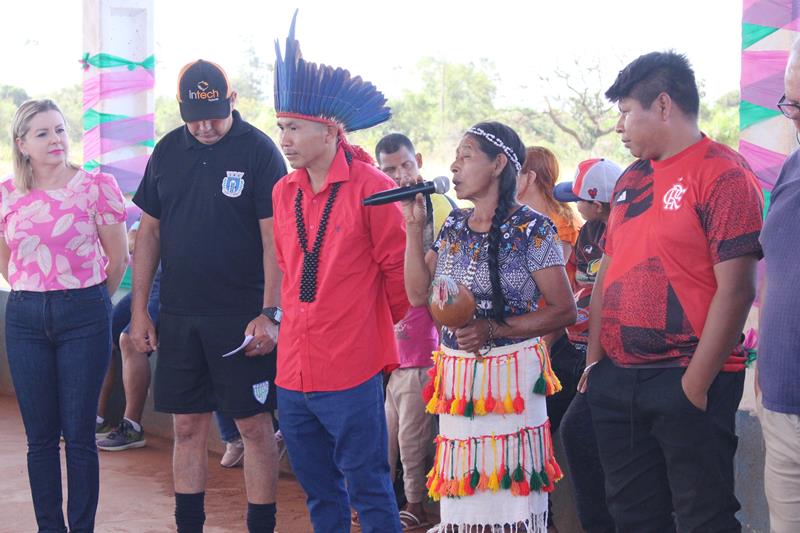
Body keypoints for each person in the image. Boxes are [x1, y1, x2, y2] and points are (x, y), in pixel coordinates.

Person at [582, 51, 764, 532]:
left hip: (688, 377)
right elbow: (608, 272)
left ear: (663, 105)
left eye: (625, 111)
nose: (619, 126)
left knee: (705, 517)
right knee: (633, 517)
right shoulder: (631, 178)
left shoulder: (724, 173)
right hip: (618, 379)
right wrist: (594, 364)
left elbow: (738, 289)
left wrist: (694, 387)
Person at [129, 59, 285, 533]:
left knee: (254, 428)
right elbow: (149, 234)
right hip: (179, 314)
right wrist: (140, 312)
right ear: (181, 111)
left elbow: (273, 241)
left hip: (242, 318)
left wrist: (270, 313)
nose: (206, 125)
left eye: (216, 112)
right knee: (186, 426)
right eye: (195, 116)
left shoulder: (259, 151)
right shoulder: (167, 151)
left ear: (231, 101)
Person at [403, 121, 576, 532]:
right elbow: (417, 296)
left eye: (466, 156)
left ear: (498, 163)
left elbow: (564, 310)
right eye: (456, 158)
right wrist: (413, 230)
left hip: (512, 377)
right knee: (465, 490)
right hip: (459, 377)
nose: (454, 165)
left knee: (508, 491)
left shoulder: (533, 228)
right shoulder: (455, 226)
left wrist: (494, 329)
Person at [271, 13, 408, 533]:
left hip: (350, 368)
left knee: (370, 490)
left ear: (328, 131)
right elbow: (287, 268)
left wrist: (363, 326)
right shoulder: (284, 191)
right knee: (318, 494)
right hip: (293, 370)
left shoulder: (373, 187)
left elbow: (399, 276)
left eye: (294, 128)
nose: (284, 138)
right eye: (281, 126)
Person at [2, 99, 128, 532]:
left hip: (84, 314)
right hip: (24, 316)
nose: (55, 139)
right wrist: (38, 290)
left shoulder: (96, 186)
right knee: (39, 438)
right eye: (42, 133)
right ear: (22, 144)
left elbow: (119, 257)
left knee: (78, 436)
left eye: (59, 129)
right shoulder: (5, 194)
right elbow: (7, 260)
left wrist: (88, 301)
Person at [374, 133, 455, 530]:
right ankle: (385, 501)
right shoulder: (381, 205)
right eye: (389, 170)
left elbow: (425, 285)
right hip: (392, 340)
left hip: (426, 339)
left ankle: (416, 505)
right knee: (389, 430)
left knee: (412, 434)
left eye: (406, 165)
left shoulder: (438, 205)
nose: (400, 175)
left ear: (418, 160)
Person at [553, 158, 622, 533]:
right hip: (572, 346)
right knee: (546, 421)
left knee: (579, 432)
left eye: (579, 198)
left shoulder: (621, 231)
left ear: (597, 203)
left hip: (605, 353)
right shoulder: (589, 231)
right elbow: (578, 286)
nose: (574, 204)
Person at [755, 37, 800, 532]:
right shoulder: (792, 165)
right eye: (791, 103)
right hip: (783, 403)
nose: (795, 118)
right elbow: (776, 269)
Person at [95, 220, 162, 450]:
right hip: (146, 283)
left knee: (130, 340)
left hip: (171, 287)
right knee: (101, 333)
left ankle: (132, 426)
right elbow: (133, 239)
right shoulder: (156, 192)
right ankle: (97, 420)